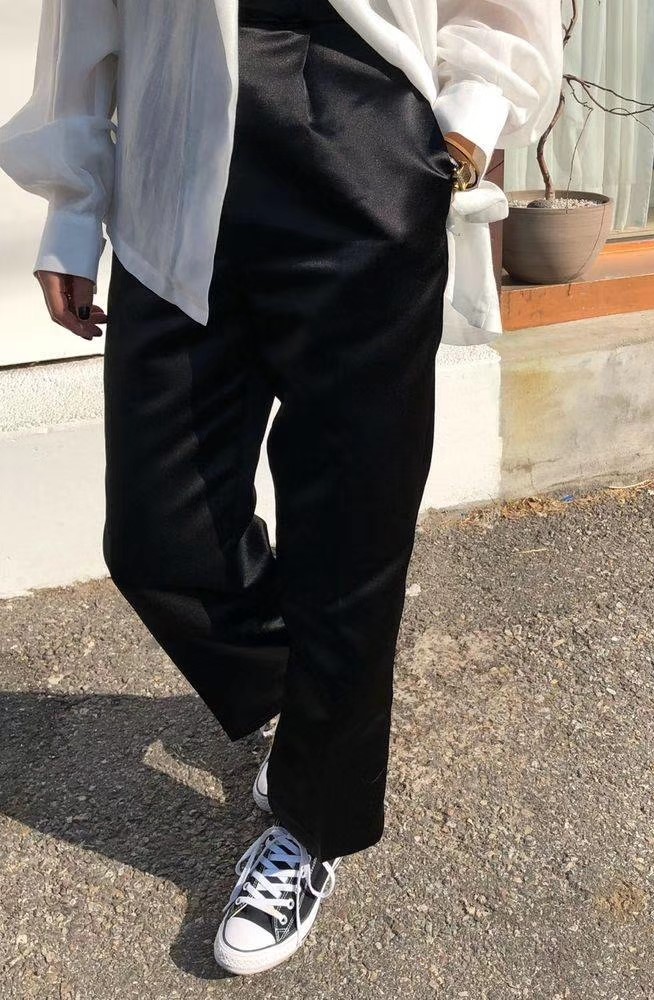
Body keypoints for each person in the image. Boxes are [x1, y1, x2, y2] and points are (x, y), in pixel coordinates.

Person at [0, 0, 562, 977]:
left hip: (364, 147)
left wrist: (466, 126)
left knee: (351, 533)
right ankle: (312, 712)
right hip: (176, 165)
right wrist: (73, 208)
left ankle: (314, 817)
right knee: (156, 532)